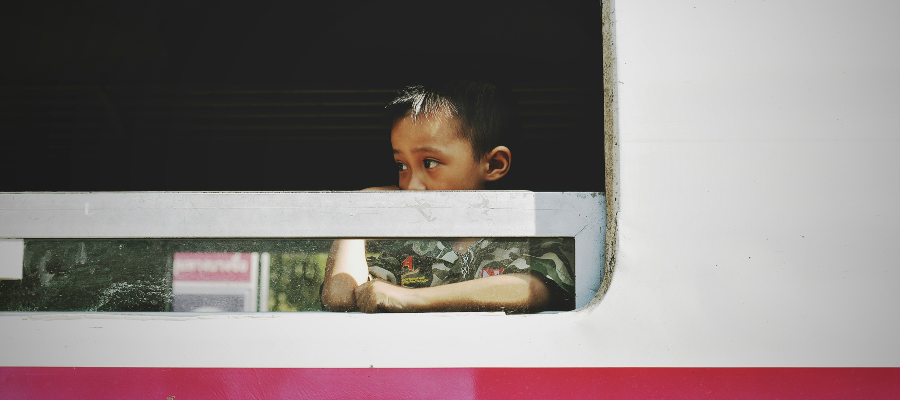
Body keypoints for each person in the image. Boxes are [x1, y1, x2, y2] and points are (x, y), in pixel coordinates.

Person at [321, 80, 574, 313]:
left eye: (429, 162)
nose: (411, 186)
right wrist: (358, 211)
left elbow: (531, 288)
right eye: (401, 166)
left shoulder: (531, 236)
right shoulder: (396, 245)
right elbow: (341, 298)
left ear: (494, 164)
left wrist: (408, 298)